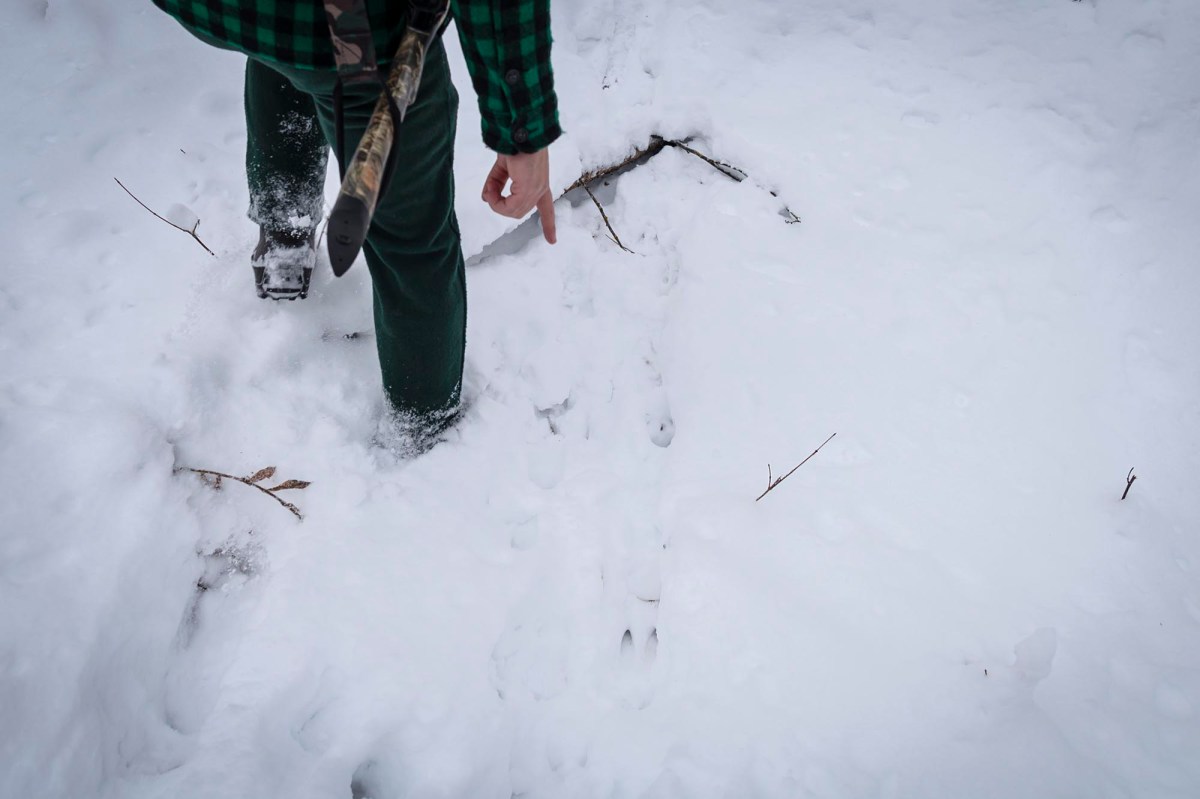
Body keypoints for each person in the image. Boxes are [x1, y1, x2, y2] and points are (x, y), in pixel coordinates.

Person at [150, 0, 561, 447]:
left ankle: (285, 239)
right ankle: (422, 422)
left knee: (285, 40)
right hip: (365, 30)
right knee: (412, 239)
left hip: (237, 12)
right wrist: (523, 130)